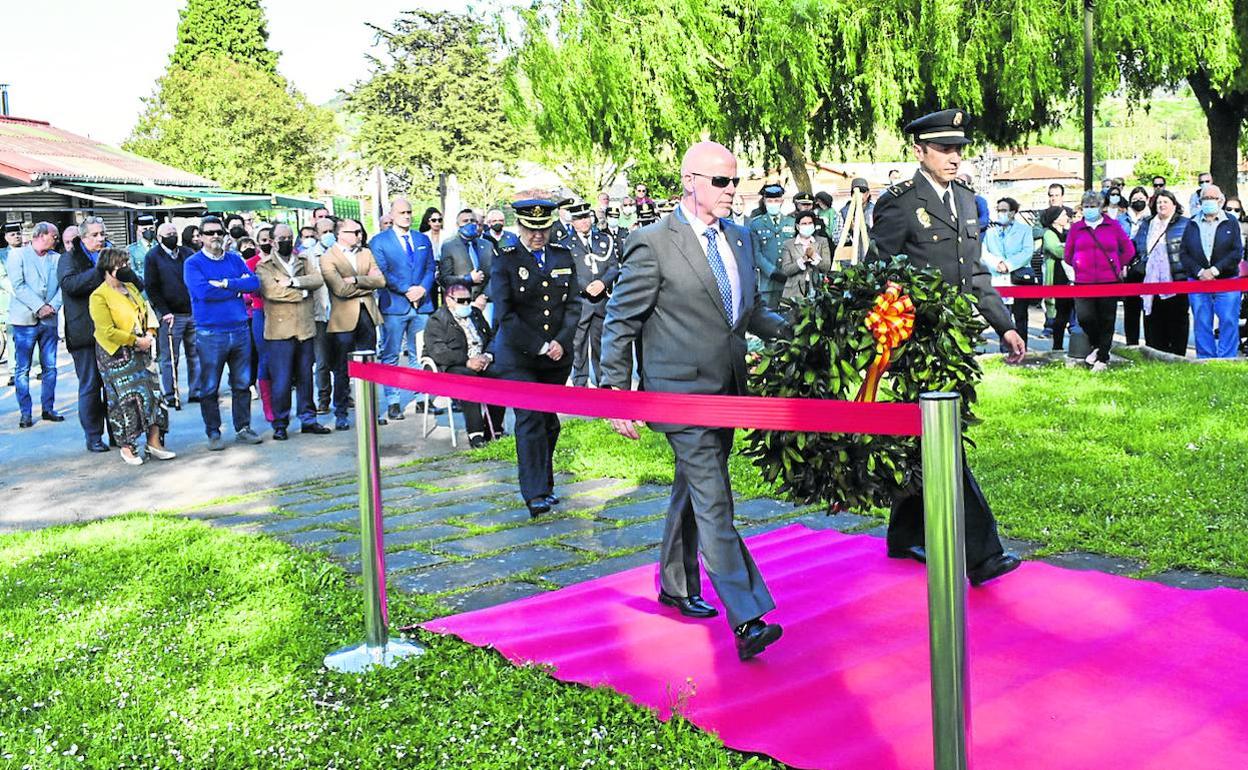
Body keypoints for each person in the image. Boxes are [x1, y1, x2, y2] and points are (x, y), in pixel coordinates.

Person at [600, 141, 789, 661]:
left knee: (694, 487)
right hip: (678, 394)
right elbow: (622, 321)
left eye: (736, 181)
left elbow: (747, 314)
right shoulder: (652, 242)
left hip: (727, 391)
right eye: (722, 182)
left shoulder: (741, 237)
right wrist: (616, 392)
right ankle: (748, 615)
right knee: (714, 497)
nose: (733, 192)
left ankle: (676, 583)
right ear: (690, 181)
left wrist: (797, 335)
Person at [871, 108, 1023, 586]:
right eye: (944, 148)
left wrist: (1005, 325)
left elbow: (975, 272)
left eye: (959, 148)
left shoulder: (965, 199)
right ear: (920, 152)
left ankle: (902, 534)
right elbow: (879, 273)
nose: (955, 157)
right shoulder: (900, 203)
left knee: (926, 438)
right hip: (914, 342)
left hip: (955, 342)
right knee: (945, 440)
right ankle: (981, 553)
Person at [488, 198, 582, 516]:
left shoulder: (562, 256)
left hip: (555, 357)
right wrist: (540, 345)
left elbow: (572, 305)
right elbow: (505, 313)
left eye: (543, 229)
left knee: (549, 424)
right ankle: (534, 493)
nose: (537, 235)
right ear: (520, 226)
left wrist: (560, 342)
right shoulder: (505, 260)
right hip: (519, 356)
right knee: (529, 420)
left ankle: (545, 482)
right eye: (531, 229)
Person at [61, 217, 144, 450]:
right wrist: (100, 270)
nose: (100, 239)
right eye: (95, 235)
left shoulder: (111, 255)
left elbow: (137, 284)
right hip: (85, 334)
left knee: (115, 387)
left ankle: (118, 434)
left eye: (102, 234)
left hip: (114, 333)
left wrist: (123, 271)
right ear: (83, 237)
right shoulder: (69, 259)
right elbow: (70, 286)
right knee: (90, 386)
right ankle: (94, 437)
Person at [88, 248, 174, 466]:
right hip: (117, 354)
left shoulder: (132, 288)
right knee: (127, 400)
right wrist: (136, 341)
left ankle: (154, 442)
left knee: (154, 394)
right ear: (108, 268)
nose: (127, 268)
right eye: (122, 265)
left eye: (127, 263)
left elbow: (147, 311)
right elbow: (106, 330)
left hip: (142, 349)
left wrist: (149, 334)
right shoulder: (99, 295)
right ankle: (127, 446)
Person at [184, 215, 264, 450]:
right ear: (200, 237)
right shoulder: (193, 263)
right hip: (210, 332)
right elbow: (202, 292)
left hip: (239, 328)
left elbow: (254, 284)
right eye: (210, 233)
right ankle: (213, 432)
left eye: (219, 232)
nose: (215, 236)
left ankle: (243, 428)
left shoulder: (235, 259)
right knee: (209, 386)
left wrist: (227, 284)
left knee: (242, 383)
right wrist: (236, 287)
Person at [256, 223, 331, 439]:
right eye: (281, 238)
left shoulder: (304, 261)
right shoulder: (265, 266)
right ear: (272, 241)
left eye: (289, 237)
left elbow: (317, 280)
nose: (286, 241)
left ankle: (308, 418)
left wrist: (293, 282)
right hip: (279, 331)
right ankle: (280, 423)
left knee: (305, 377)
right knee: (281, 380)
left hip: (305, 329)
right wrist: (302, 293)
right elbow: (272, 292)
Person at [371, 198, 439, 422]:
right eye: (402, 212)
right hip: (395, 305)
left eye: (409, 212)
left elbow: (430, 267)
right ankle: (393, 401)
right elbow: (383, 271)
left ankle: (421, 398)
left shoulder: (421, 239)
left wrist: (422, 288)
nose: (407, 216)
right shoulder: (379, 241)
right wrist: (406, 290)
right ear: (391, 214)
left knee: (420, 353)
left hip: (421, 305)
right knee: (391, 355)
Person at [321, 217, 384, 431]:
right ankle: (341, 412)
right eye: (354, 232)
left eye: (359, 232)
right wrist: (367, 282)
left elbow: (381, 281)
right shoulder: (328, 257)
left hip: (367, 315)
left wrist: (356, 280)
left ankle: (372, 411)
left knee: (370, 367)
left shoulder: (365, 253)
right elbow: (340, 290)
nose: (359, 235)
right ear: (341, 234)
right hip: (342, 320)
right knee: (342, 369)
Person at [425, 279, 505, 448]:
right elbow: (438, 351)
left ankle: (494, 429)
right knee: (469, 380)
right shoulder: (437, 320)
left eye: (469, 300)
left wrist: (488, 356)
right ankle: (476, 434)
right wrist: (467, 361)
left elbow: (491, 338)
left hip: (480, 361)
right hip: (454, 365)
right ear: (449, 301)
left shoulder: (475, 314)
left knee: (501, 376)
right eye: (461, 301)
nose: (467, 304)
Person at [1064, 190, 1135, 371]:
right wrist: (1078, 264)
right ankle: (1097, 346)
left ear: (1101, 207)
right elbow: (1068, 254)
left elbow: (1128, 249)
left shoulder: (1113, 226)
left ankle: (1102, 357)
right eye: (1086, 206)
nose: (1089, 210)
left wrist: (1119, 265)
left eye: (1093, 206)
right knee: (1085, 318)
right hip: (1083, 281)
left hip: (1108, 280)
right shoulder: (1076, 228)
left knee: (1107, 319)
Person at [9, 222, 63, 429]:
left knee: (50, 366)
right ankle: (26, 413)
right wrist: (39, 306)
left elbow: (62, 287)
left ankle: (48, 408)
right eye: (54, 236)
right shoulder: (18, 256)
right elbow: (18, 286)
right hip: (25, 321)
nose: (56, 240)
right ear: (40, 235)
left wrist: (52, 306)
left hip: (49, 320)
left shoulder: (56, 259)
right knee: (23, 369)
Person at [1179, 183, 1243, 358]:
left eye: (1212, 198)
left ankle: (1227, 358)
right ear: (1200, 201)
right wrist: (1200, 272)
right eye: (1205, 198)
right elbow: (1184, 253)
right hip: (1197, 280)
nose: (1208, 201)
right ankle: (1205, 358)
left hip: (1226, 279)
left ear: (1220, 200)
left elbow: (1236, 252)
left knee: (1229, 320)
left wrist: (1215, 270)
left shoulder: (1231, 222)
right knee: (1201, 321)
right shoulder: (1191, 223)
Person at [144, 221, 201, 407]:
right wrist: (164, 311)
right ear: (159, 238)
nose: (172, 236)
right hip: (170, 315)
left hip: (191, 311)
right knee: (169, 358)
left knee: (195, 354)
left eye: (174, 232)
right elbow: (152, 287)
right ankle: (170, 393)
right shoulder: (153, 257)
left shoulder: (186, 253)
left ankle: (196, 390)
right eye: (168, 234)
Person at [564, 202, 620, 387]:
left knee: (601, 343)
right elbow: (567, 272)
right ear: (572, 222)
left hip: (602, 300)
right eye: (579, 219)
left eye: (586, 217)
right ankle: (580, 383)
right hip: (581, 301)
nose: (584, 222)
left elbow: (613, 266)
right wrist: (585, 286)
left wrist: (603, 283)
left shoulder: (604, 239)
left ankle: (603, 381)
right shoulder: (565, 244)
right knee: (578, 344)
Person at [1133, 190, 1191, 356]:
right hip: (1151, 280)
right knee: (1154, 318)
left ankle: (1178, 354)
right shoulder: (1147, 223)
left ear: (1174, 204)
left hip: (1176, 278)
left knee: (1177, 318)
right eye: (1159, 202)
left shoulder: (1185, 223)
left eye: (1166, 201)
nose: (1162, 205)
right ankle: (1157, 353)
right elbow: (1137, 246)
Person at [982, 197, 1036, 349]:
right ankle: (1004, 349)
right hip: (998, 280)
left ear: (1013, 212)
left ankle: (1022, 348)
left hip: (1018, 279)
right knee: (1002, 318)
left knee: (1020, 317)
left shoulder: (1025, 230)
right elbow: (984, 252)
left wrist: (1008, 264)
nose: (1001, 214)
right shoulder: (990, 232)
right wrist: (997, 263)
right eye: (999, 210)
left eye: (1004, 210)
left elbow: (1027, 252)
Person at [439, 208, 495, 323]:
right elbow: (445, 278)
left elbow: (495, 274)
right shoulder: (449, 246)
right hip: (459, 303)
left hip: (485, 302)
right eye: (465, 221)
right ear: (458, 224)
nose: (470, 223)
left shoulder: (487, 245)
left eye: (472, 220)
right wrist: (468, 279)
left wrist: (484, 296)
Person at [1117, 186, 1152, 345]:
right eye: (1135, 199)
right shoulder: (1121, 220)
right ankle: (1132, 343)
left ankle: (1151, 343)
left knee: (1149, 308)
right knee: (1131, 308)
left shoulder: (1152, 219)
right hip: (1129, 267)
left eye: (1141, 199)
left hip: (1149, 266)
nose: (1138, 202)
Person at [748, 184, 793, 308]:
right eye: (770, 201)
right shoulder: (756, 224)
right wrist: (772, 271)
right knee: (768, 319)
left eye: (777, 200)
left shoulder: (791, 222)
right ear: (764, 201)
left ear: (782, 201)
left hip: (789, 281)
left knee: (790, 319)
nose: (773, 203)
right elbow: (756, 253)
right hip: (767, 282)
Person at [1039, 206, 1076, 351]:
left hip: (1070, 277)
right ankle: (1057, 346)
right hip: (1056, 276)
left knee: (1069, 311)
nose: (1066, 217)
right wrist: (1070, 249)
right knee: (1059, 313)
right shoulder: (1049, 234)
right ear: (1055, 219)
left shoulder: (1068, 233)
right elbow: (1057, 250)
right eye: (1063, 215)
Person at [779, 209, 832, 302]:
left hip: (817, 290)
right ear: (797, 226)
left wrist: (814, 257)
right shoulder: (788, 244)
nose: (807, 226)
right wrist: (802, 260)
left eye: (810, 223)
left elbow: (826, 266)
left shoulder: (822, 241)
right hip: (794, 291)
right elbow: (786, 270)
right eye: (804, 223)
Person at [127, 214, 157, 285]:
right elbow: (132, 270)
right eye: (145, 229)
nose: (148, 231)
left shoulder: (160, 247)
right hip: (142, 286)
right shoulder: (131, 250)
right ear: (138, 231)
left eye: (151, 228)